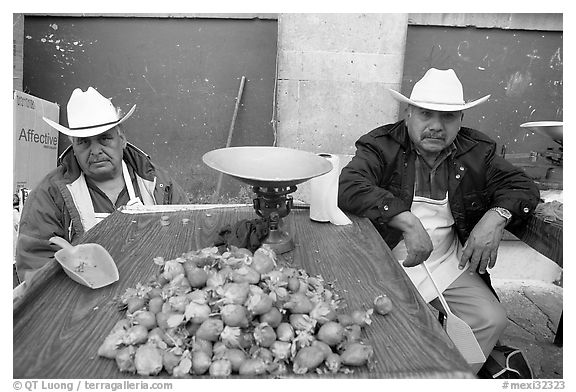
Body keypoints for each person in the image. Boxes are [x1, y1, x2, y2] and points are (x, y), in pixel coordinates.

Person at [338, 68, 540, 374]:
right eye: (425, 114)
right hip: (384, 259)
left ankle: (446, 374)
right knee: (386, 328)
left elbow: (523, 187)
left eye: (447, 117)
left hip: (445, 262)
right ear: (408, 115)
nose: (435, 126)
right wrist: (405, 220)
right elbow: (350, 186)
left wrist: (496, 216)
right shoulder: (381, 145)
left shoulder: (477, 151)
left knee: (491, 319)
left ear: (460, 121)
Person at [15, 87, 189, 282]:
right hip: (83, 302)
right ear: (73, 146)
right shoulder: (50, 194)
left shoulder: (158, 184)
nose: (96, 150)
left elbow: (187, 239)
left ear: (121, 139)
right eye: (84, 142)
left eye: (104, 138)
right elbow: (35, 266)